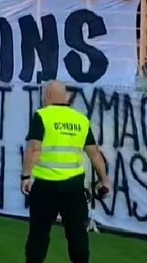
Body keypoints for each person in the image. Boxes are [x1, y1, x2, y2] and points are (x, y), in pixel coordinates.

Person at [21, 80, 110, 263]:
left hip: (46, 186)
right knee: (77, 234)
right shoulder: (81, 120)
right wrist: (105, 180)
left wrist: (26, 176)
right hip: (74, 187)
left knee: (39, 234)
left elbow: (34, 149)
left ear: (49, 96)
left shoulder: (42, 116)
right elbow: (94, 154)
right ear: (66, 96)